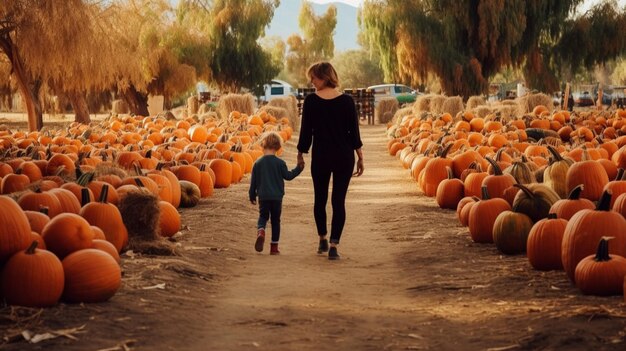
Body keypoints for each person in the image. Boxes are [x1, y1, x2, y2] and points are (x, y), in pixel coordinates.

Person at [297, 61, 364, 260]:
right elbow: (354, 133)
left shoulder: (311, 101)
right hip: (344, 156)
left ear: (325, 77)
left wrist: (301, 153)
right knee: (338, 201)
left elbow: (306, 132)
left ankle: (323, 239)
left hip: (321, 156)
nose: (311, 81)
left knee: (320, 199)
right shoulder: (347, 101)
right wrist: (360, 157)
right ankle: (334, 245)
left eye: (314, 77)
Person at [249, 132, 304, 255]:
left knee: (263, 217)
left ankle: (261, 231)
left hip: (263, 197)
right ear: (278, 147)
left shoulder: (257, 163)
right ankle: (274, 248)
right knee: (275, 221)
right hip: (276, 198)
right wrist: (298, 168)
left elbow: (253, 182)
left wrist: (252, 195)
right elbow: (288, 176)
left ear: (263, 145)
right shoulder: (280, 163)